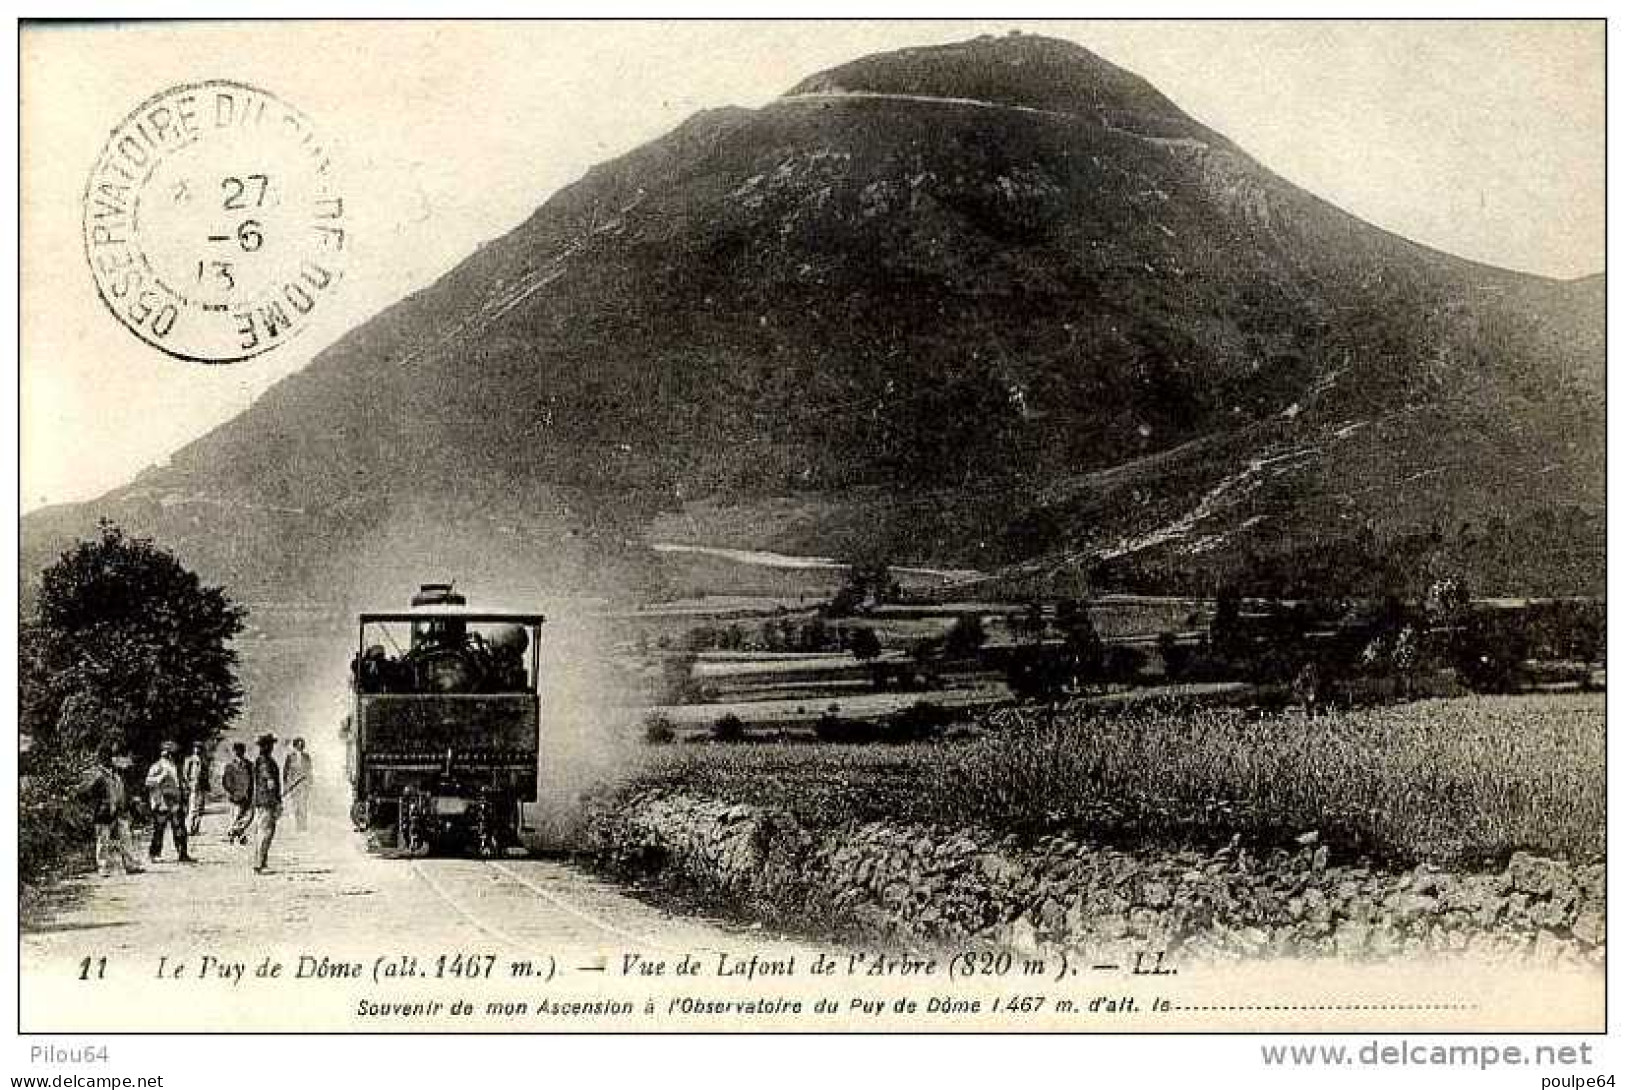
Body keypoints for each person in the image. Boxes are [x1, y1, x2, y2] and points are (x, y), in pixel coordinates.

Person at [81, 745, 143, 876]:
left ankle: (130, 864)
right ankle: (103, 867)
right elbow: (86, 793)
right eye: (106, 757)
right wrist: (96, 805)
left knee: (126, 837)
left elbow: (122, 791)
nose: (109, 759)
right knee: (103, 840)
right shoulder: (97, 774)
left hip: (119, 811)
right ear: (102, 758)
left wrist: (127, 804)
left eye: (110, 757)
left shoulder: (115, 774)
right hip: (103, 812)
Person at [144, 741, 194, 863]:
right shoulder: (157, 766)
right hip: (162, 802)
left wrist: (184, 792)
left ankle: (182, 854)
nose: (170, 754)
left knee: (180, 828)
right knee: (159, 829)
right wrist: (161, 777)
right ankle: (154, 854)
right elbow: (148, 782)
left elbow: (180, 783)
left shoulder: (176, 766)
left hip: (175, 802)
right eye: (169, 752)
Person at [250, 734, 282, 874]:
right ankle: (259, 864)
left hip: (263, 800)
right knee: (265, 832)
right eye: (270, 744)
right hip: (267, 801)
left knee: (263, 832)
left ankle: (262, 862)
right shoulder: (265, 762)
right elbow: (270, 782)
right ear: (266, 746)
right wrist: (276, 801)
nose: (272, 747)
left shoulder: (262, 760)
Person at [221, 742, 255, 844]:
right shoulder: (230, 766)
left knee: (249, 816)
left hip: (247, 795)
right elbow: (226, 782)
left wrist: (251, 792)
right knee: (236, 816)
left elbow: (253, 780)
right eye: (236, 751)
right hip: (235, 796)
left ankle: (234, 832)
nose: (238, 753)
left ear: (243, 751)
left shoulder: (249, 765)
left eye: (240, 750)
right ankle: (239, 835)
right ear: (234, 752)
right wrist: (232, 792)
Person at [282, 738, 312, 833]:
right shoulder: (290, 757)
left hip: (303, 785)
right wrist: (287, 784)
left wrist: (309, 783)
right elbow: (285, 771)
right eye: (298, 745)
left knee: (303, 805)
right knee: (296, 805)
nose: (300, 747)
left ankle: (303, 825)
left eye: (301, 745)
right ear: (295, 746)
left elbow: (309, 771)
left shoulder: (307, 757)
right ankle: (298, 825)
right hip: (294, 786)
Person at [183, 740, 209, 836]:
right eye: (195, 748)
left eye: (199, 748)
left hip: (201, 787)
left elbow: (206, 775)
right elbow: (185, 774)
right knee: (192, 807)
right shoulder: (189, 760)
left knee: (200, 808)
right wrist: (188, 784)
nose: (197, 750)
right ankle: (189, 828)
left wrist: (206, 785)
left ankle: (196, 828)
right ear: (193, 749)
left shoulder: (204, 761)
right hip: (193, 786)